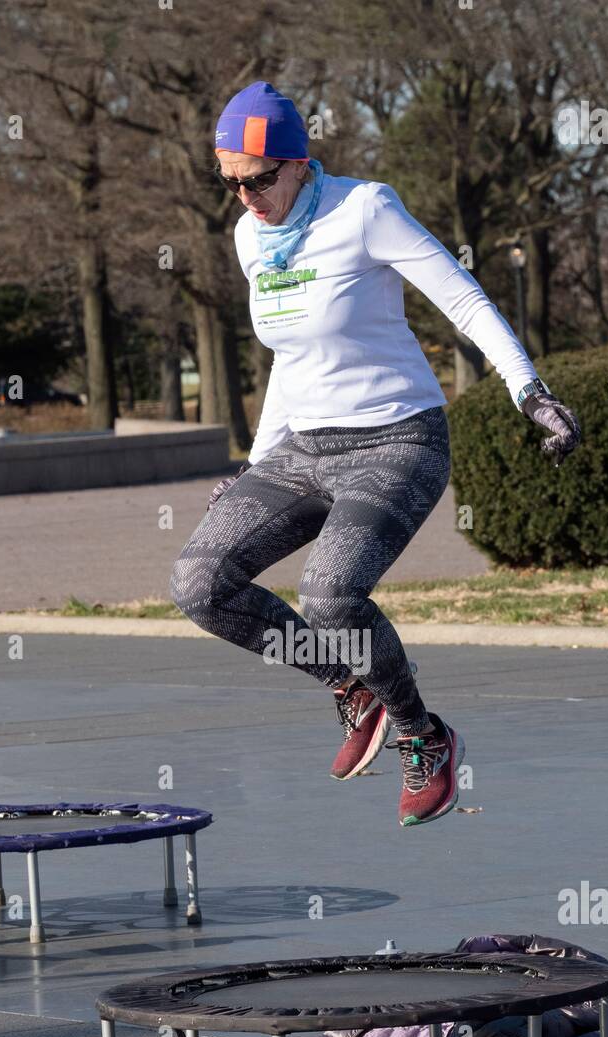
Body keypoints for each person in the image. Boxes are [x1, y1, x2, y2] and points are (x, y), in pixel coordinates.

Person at [171, 82, 581, 827]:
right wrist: (254, 465)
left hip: (398, 439)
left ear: (297, 164)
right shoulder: (248, 238)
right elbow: (292, 360)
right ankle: (348, 685)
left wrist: (529, 391)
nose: (246, 197)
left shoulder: (364, 210)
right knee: (200, 582)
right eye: (230, 181)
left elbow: (462, 299)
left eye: (259, 179)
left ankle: (424, 737)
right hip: (302, 448)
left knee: (329, 594)